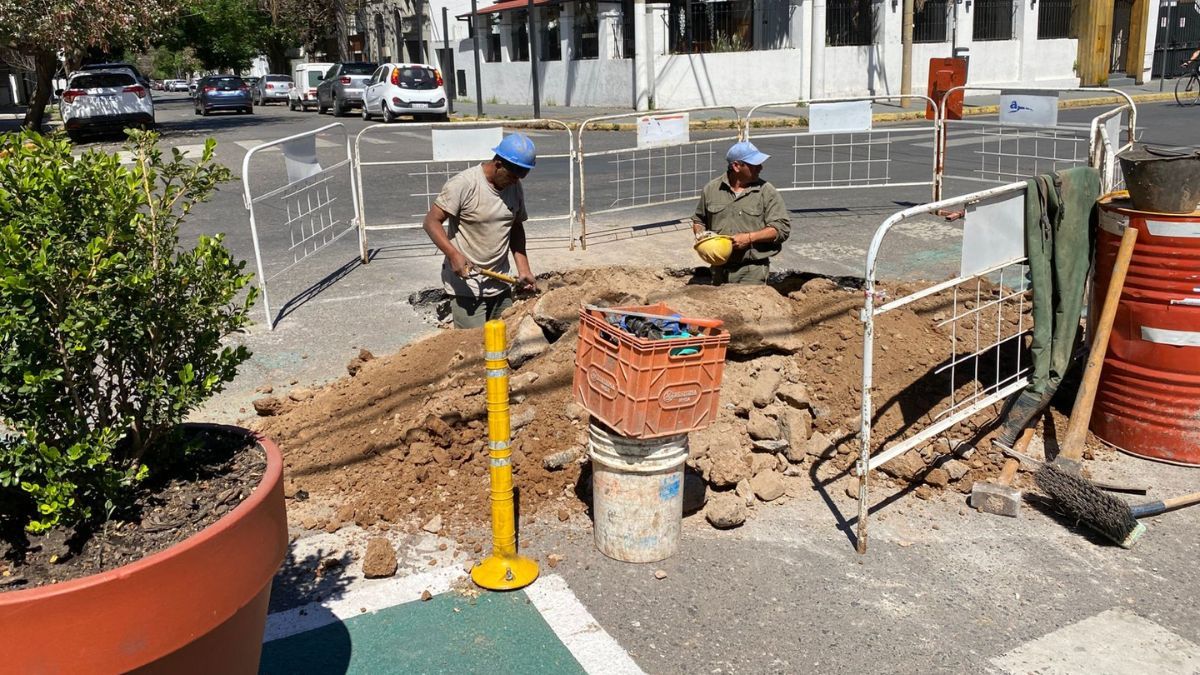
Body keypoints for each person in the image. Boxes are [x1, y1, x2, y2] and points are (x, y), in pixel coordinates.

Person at [422, 133, 538, 328]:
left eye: (520, 177)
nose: (515, 181)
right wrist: (453, 255)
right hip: (468, 287)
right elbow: (431, 222)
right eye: (512, 176)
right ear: (498, 163)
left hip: (501, 285)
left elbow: (515, 227)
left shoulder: (515, 186)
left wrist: (523, 269)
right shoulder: (464, 184)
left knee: (503, 343)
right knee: (472, 348)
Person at [691, 140, 791, 285]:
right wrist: (701, 236)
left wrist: (750, 238)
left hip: (752, 270)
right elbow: (699, 220)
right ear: (736, 166)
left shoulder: (766, 191)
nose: (760, 167)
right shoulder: (711, 189)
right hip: (718, 269)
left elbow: (781, 229)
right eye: (754, 164)